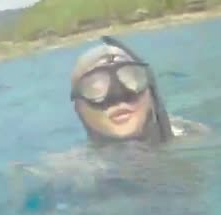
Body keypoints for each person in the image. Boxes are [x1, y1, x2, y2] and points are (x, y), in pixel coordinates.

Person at [69, 35, 207, 144]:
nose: (118, 95)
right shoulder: (73, 171)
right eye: (96, 88)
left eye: (131, 79)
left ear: (150, 92)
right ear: (78, 109)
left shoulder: (192, 134)